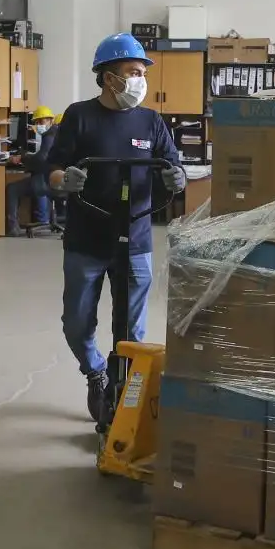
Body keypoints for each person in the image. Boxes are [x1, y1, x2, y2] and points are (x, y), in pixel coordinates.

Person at [46, 34, 184, 421]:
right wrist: (63, 179)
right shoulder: (79, 116)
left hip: (136, 239)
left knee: (132, 331)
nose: (141, 80)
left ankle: (123, 389)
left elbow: (173, 165)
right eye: (134, 72)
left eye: (143, 73)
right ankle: (96, 372)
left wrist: (177, 178)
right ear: (110, 77)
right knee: (76, 324)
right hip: (86, 240)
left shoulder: (151, 121)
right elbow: (52, 168)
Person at [6, 105, 57, 235]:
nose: (39, 125)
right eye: (37, 122)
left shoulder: (50, 136)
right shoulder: (55, 133)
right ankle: (44, 221)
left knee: (12, 189)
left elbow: (42, 158)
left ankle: (13, 228)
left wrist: (22, 158)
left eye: (42, 121)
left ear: (50, 120)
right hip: (54, 179)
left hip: (46, 180)